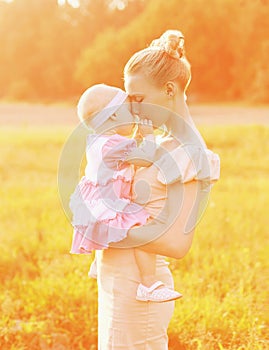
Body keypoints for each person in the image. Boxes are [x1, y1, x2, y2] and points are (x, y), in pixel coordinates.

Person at [95, 30, 220, 349]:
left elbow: (178, 244)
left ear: (168, 89)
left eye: (137, 99)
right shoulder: (156, 143)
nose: (131, 109)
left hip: (142, 292)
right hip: (118, 283)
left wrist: (105, 231)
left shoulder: (190, 152)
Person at [69, 83, 182, 302]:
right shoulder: (113, 145)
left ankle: (96, 263)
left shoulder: (100, 141)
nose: (135, 115)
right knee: (141, 230)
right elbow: (147, 158)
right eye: (129, 111)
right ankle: (148, 283)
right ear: (112, 117)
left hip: (98, 202)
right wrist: (148, 136)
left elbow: (129, 156)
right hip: (111, 202)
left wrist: (138, 138)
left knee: (108, 226)